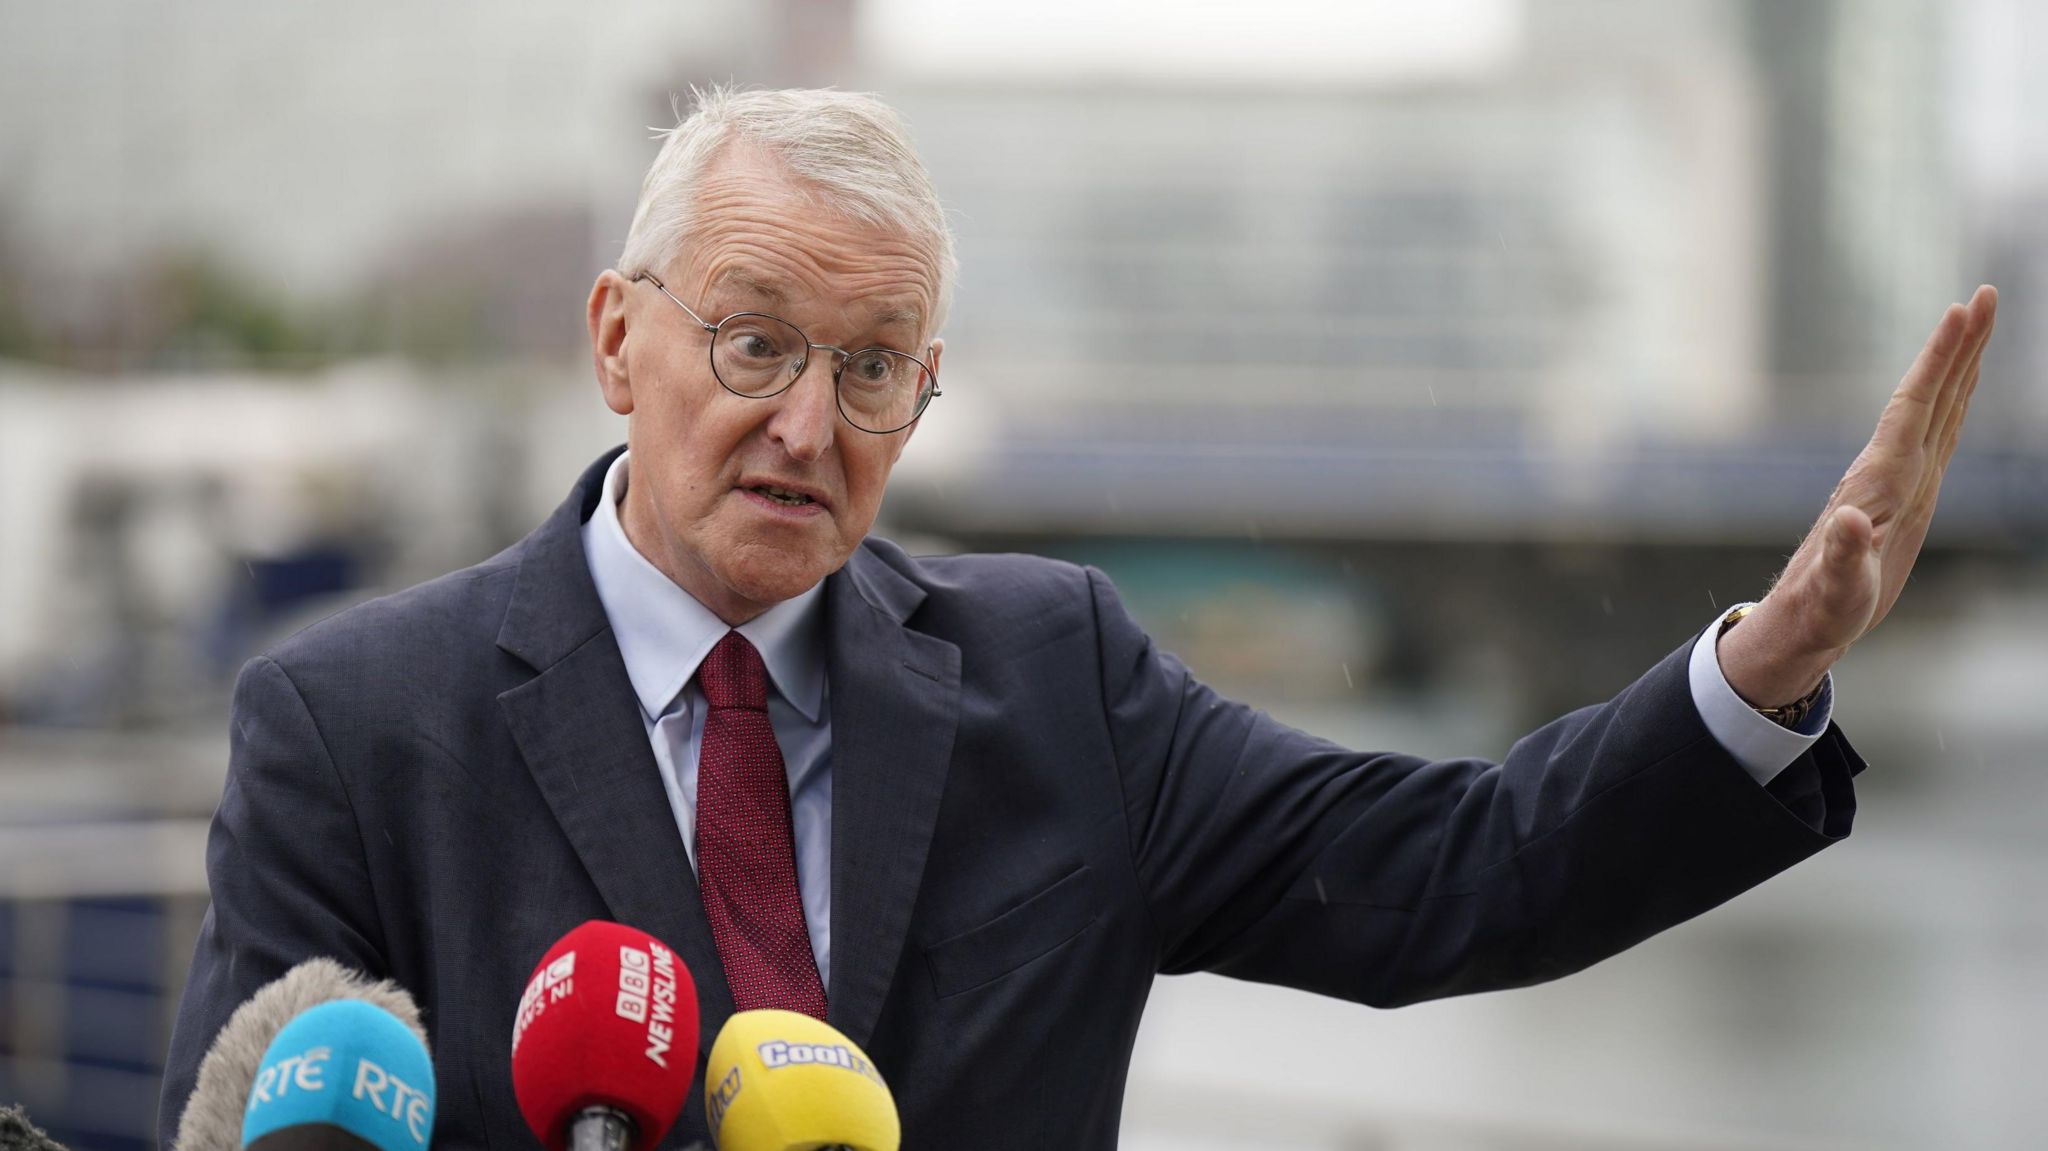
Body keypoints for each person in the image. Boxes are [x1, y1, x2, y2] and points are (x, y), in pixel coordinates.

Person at [157, 87, 1999, 1150]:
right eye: (756, 341)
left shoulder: (1058, 676)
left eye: (875, 370)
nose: (809, 423)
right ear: (615, 340)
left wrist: (1765, 668)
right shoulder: (354, 724)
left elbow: (1464, 872)